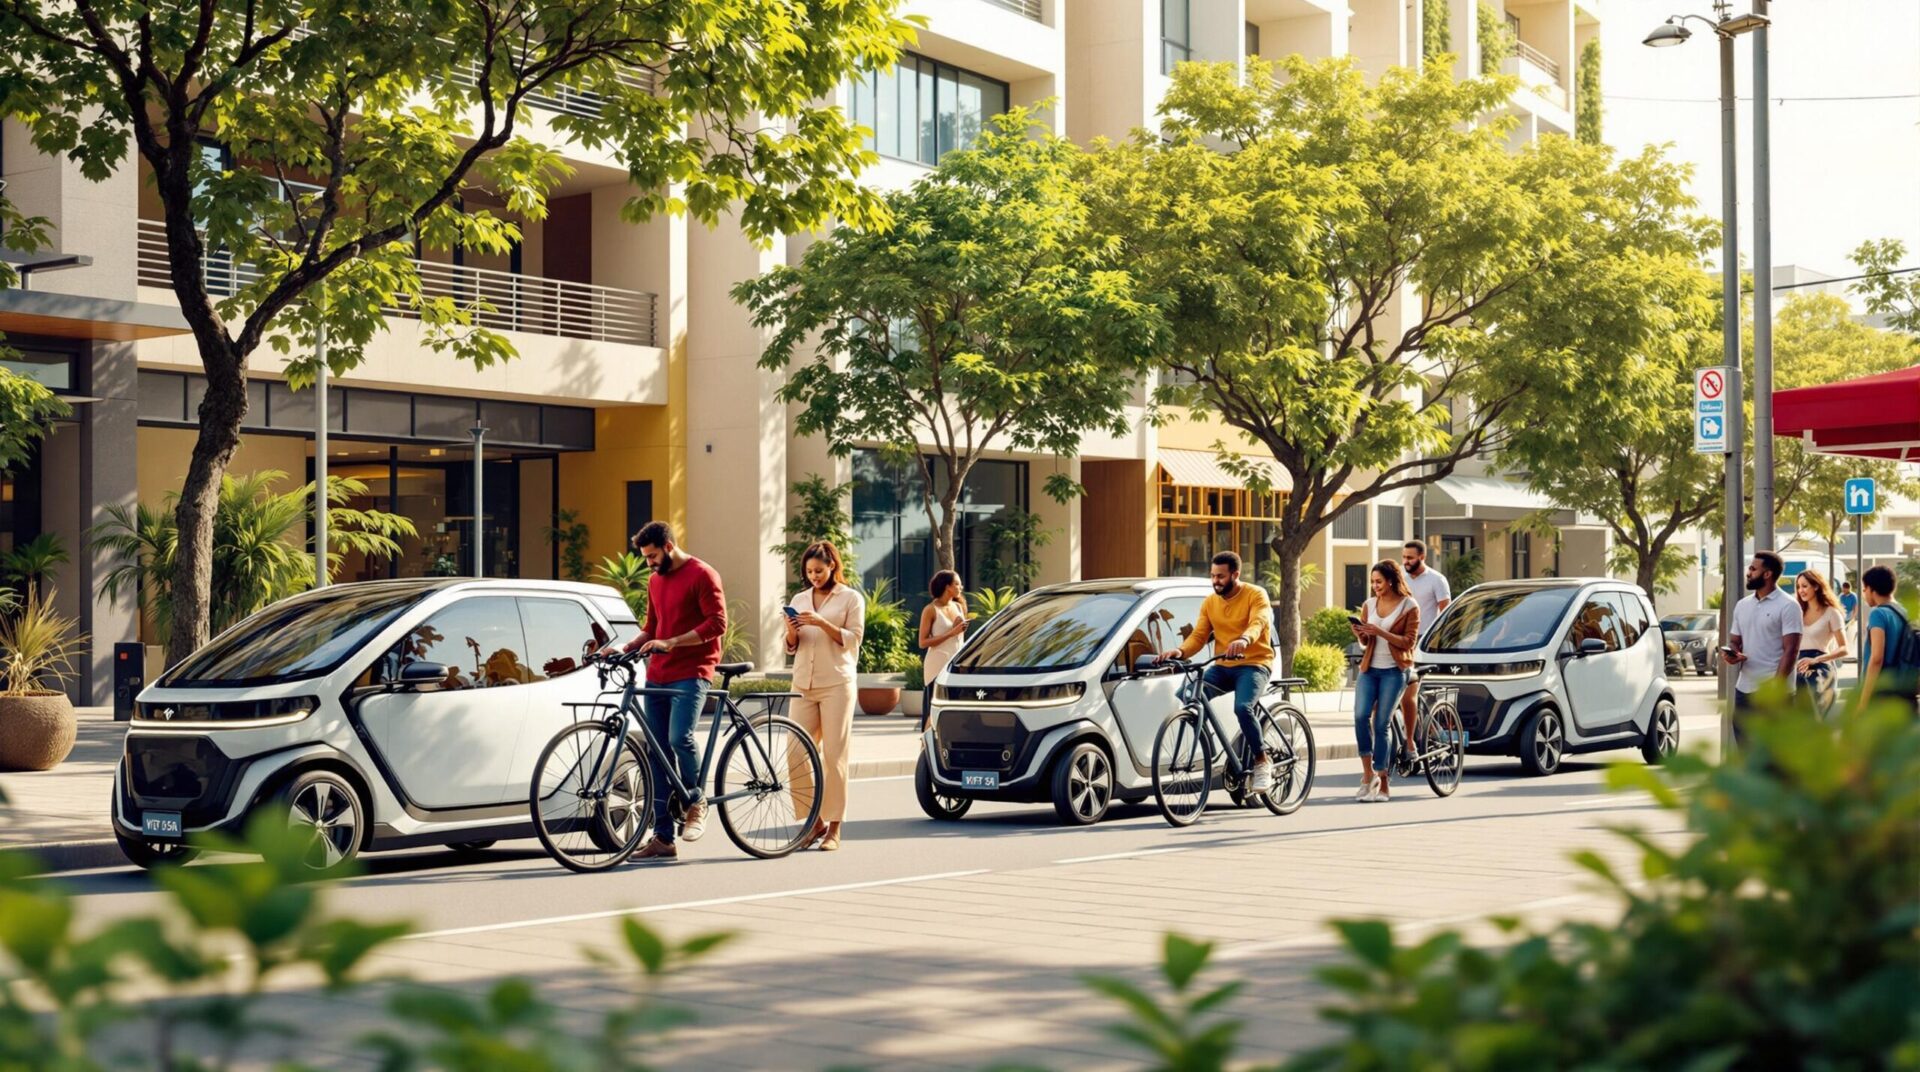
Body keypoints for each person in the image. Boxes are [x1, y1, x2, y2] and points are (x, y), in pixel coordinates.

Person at [621, 521, 727, 862]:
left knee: (680, 737)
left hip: (692, 671)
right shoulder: (655, 581)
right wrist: (623, 648)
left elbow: (717, 624)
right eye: (645, 558)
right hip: (659, 673)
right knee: (656, 751)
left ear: (668, 546)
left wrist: (674, 642)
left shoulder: (702, 574)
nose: (649, 563)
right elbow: (652, 627)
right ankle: (663, 838)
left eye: (652, 556)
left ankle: (697, 802)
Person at [1159, 551, 1276, 793]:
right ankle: (1210, 746)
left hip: (1254, 663)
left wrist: (1244, 639)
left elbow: (1260, 621)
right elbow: (1199, 636)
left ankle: (1262, 760)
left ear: (1235, 574)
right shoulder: (1210, 602)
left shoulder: (1256, 594)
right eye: (1212, 576)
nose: (1215, 581)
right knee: (1188, 694)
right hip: (1223, 666)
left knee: (1242, 707)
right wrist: (1179, 652)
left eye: (1220, 577)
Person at [784, 541, 863, 852]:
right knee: (794, 752)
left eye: (818, 570)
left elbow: (854, 639)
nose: (814, 576)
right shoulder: (799, 598)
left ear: (832, 566)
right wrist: (792, 629)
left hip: (837, 684)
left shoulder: (850, 598)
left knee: (834, 756)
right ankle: (812, 822)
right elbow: (791, 645)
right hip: (803, 683)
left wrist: (821, 622)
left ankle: (834, 828)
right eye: (809, 572)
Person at [1350, 560, 1419, 802]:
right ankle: (1368, 775)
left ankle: (1384, 783)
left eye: (1378, 581)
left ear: (1390, 580)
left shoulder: (1409, 606)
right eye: (1372, 582)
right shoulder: (1369, 605)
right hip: (1369, 670)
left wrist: (1380, 632)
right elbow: (1366, 644)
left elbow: (1408, 642)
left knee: (1381, 724)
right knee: (1360, 717)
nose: (1375, 586)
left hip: (1394, 671)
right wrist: (1363, 635)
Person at [1723, 550, 1803, 744]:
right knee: (1745, 751)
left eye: (1752, 569)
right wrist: (1733, 653)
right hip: (1744, 690)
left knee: (1774, 755)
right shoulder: (1742, 605)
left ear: (1767, 574)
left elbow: (1791, 650)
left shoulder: (1788, 606)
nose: (1748, 573)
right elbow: (1735, 639)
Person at [1398, 540, 1451, 748]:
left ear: (1422, 557)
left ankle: (1428, 733)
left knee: (1413, 691)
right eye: (1404, 557)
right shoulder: (1399, 576)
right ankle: (1419, 733)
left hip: (1424, 641)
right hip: (1400, 640)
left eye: (1410, 558)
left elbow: (1445, 612)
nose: (1406, 561)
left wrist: (1435, 642)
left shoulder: (1436, 580)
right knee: (1401, 691)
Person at [1853, 565, 1916, 716]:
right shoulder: (1905, 612)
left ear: (1871, 589)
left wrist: (1863, 703)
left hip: (1883, 693)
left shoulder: (1878, 614)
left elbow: (1876, 659)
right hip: (1905, 691)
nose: (1863, 593)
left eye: (1864, 589)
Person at [1792, 569, 1849, 719]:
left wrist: (1815, 660)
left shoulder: (1831, 613)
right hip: (1797, 665)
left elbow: (1844, 649)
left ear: (1816, 586)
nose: (1800, 590)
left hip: (1821, 665)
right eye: (1798, 587)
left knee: (1812, 712)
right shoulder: (1796, 613)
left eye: (1805, 586)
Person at [918, 570, 968, 700]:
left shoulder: (959, 606)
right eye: (957, 584)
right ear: (947, 587)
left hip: (956, 664)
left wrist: (960, 628)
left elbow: (959, 636)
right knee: (933, 710)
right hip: (937, 665)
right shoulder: (930, 609)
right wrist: (951, 633)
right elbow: (922, 642)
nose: (961, 587)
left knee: (955, 706)